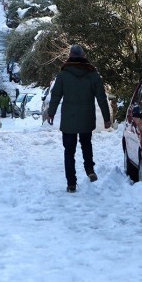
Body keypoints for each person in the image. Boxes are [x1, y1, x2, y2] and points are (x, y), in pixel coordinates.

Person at [46, 45, 112, 193]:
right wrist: (107, 118)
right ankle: (89, 169)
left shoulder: (63, 74)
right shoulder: (92, 74)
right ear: (83, 56)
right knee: (86, 144)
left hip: (69, 119)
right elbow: (101, 97)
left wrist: (51, 113)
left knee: (69, 151)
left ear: (70, 55)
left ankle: (71, 183)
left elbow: (56, 95)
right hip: (86, 117)